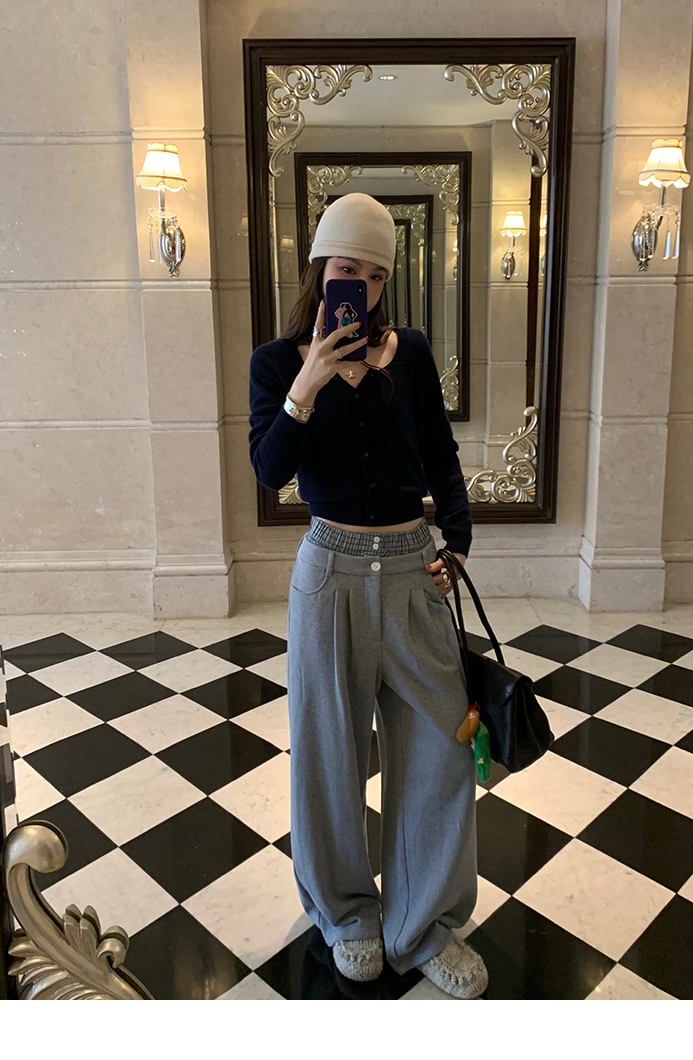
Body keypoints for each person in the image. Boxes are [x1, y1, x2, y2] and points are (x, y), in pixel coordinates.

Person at [248, 192, 488, 1000]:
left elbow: (441, 455)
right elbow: (270, 468)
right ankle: (347, 914)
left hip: (415, 568)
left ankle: (426, 926)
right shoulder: (276, 362)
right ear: (320, 269)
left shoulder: (409, 352)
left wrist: (456, 542)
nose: (363, 285)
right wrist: (308, 382)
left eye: (377, 274)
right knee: (329, 752)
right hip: (330, 574)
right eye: (348, 268)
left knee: (440, 751)